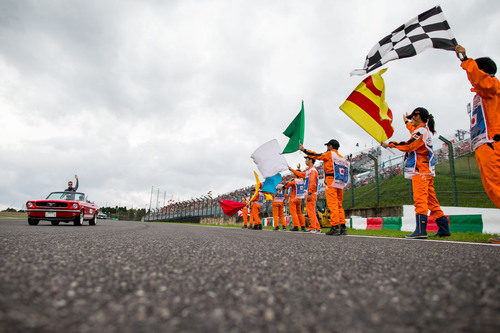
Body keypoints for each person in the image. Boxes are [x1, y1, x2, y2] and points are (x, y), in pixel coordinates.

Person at [381, 107, 450, 238]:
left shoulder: (421, 131)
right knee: (432, 201)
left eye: (413, 117)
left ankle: (421, 230)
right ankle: (444, 229)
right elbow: (413, 131)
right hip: (426, 171)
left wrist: (390, 144)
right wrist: (406, 122)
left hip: (420, 172)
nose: (412, 119)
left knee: (420, 200)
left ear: (418, 117)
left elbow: (409, 145)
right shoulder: (422, 130)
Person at [300, 140, 349, 236]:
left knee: (332, 205)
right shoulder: (341, 157)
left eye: (328, 146)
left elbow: (317, 156)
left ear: (330, 146)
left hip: (331, 181)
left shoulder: (329, 154)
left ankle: (334, 227)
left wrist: (304, 150)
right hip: (340, 181)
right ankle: (343, 227)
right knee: (339, 205)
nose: (327, 147)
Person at [289, 156, 321, 233]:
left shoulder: (312, 170)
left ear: (311, 160)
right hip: (311, 193)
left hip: (311, 193)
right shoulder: (309, 171)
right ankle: (317, 227)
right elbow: (300, 174)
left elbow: (312, 183)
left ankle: (313, 227)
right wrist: (292, 170)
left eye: (306, 159)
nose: (305, 161)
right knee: (312, 211)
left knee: (310, 211)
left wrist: (309, 193)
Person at [284, 166, 306, 231]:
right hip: (299, 198)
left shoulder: (294, 180)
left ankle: (296, 226)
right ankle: (303, 226)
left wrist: (284, 186)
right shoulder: (302, 180)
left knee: (293, 213)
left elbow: (288, 185)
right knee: (299, 213)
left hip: (293, 198)